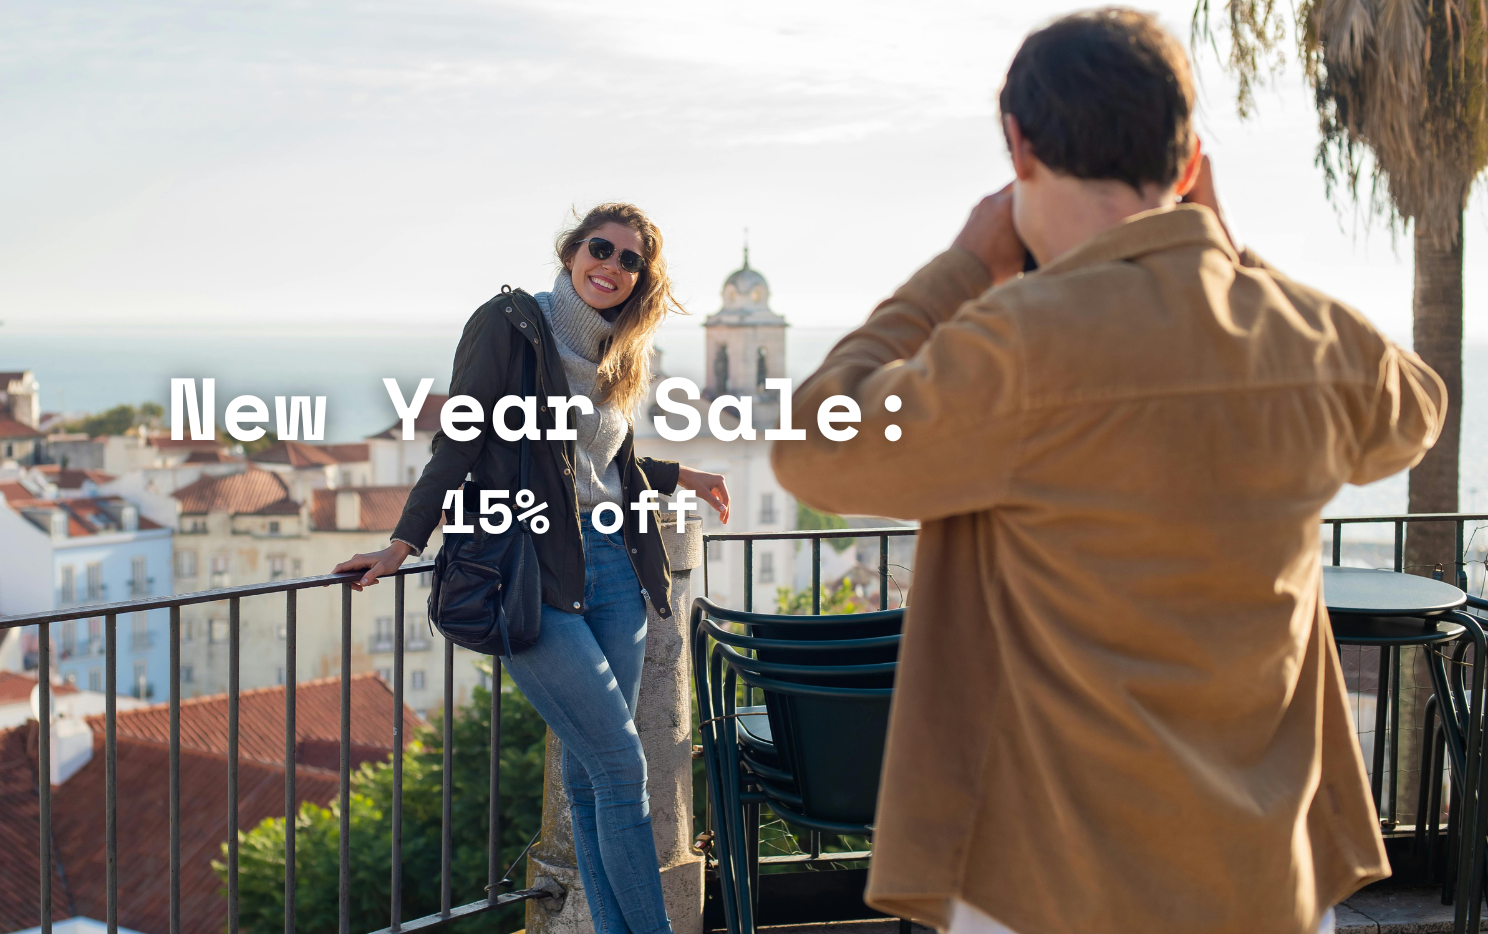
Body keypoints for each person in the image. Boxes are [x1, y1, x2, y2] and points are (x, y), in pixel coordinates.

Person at [770, 10, 1444, 934]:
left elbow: (814, 443)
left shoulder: (1019, 344)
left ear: (1019, 144)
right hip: (1267, 882)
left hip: (1055, 885)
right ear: (1189, 161)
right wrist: (1226, 251)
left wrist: (958, 269)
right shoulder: (1307, 341)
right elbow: (1415, 408)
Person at [336, 203, 730, 934]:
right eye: (600, 248)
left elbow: (601, 462)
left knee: (592, 778)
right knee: (623, 766)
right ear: (572, 250)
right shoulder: (511, 324)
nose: (611, 266)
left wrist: (683, 476)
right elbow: (460, 440)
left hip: (617, 566)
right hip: (532, 570)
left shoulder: (617, 352)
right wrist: (403, 543)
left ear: (641, 279)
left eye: (630, 260)